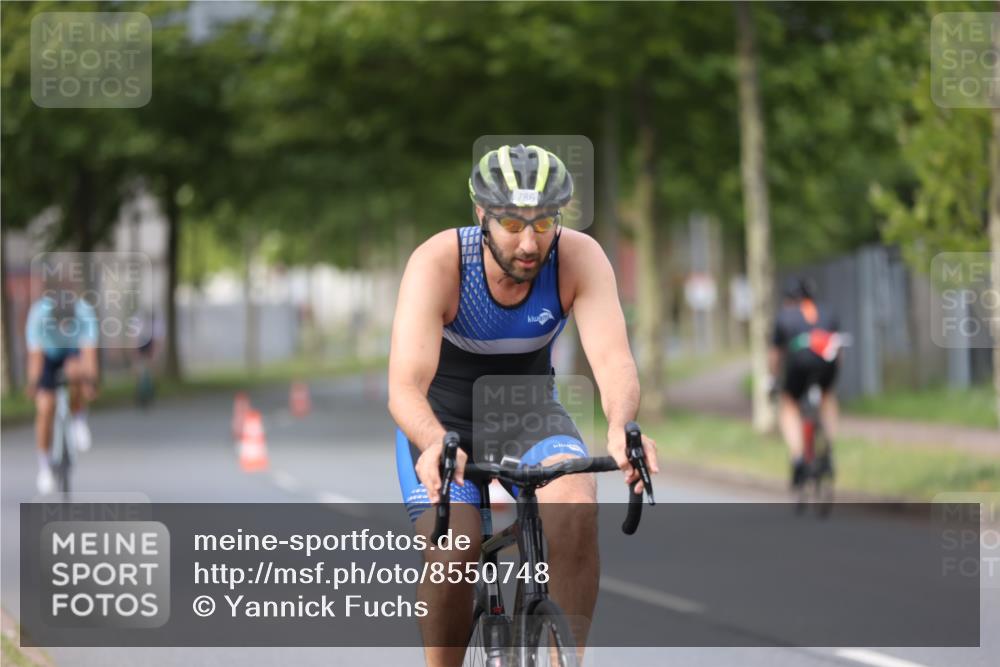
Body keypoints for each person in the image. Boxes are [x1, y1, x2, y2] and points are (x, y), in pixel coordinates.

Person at [388, 144, 659, 666]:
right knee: (455, 548)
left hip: (531, 418)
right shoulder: (439, 263)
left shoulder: (578, 257)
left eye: (543, 223)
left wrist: (622, 428)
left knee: (576, 504)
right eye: (512, 223)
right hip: (443, 426)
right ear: (481, 216)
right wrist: (430, 443)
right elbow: (404, 386)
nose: (529, 242)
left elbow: (614, 362)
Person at [24, 289, 99, 493]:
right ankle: (44, 466)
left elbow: (89, 353)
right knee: (45, 407)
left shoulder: (84, 313)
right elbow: (35, 357)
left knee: (76, 372)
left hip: (71, 353)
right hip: (47, 356)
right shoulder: (38, 315)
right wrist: (34, 385)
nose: (65, 326)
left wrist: (90, 382)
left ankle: (78, 417)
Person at [769, 277, 841, 488]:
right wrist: (832, 379)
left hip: (798, 365)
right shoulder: (828, 312)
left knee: (789, 404)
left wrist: (773, 379)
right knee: (828, 397)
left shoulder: (785, 315)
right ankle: (828, 443)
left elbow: (775, 355)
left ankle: (798, 455)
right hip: (827, 364)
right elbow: (838, 350)